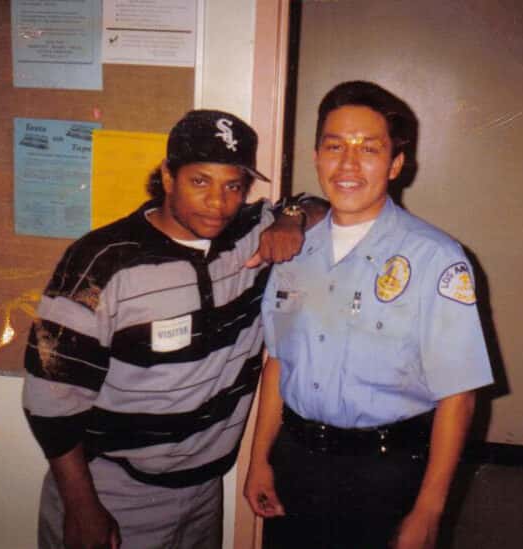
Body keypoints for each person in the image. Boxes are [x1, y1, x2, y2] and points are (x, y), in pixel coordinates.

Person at [23, 109, 325, 549]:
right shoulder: (101, 262)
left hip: (204, 494)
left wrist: (291, 218)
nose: (218, 203)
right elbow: (49, 398)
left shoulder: (249, 234)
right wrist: (81, 505)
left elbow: (318, 207)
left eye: (233, 186)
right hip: (112, 492)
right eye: (200, 181)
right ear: (168, 176)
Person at [245, 81, 494, 549]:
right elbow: (278, 360)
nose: (348, 164)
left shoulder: (435, 257)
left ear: (396, 164)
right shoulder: (294, 251)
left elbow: (459, 396)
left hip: (387, 474)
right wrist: (259, 460)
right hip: (296, 462)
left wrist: (429, 509)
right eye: (334, 146)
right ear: (316, 156)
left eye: (369, 149)